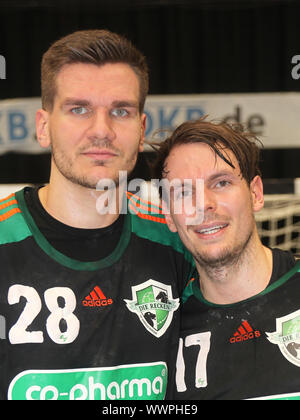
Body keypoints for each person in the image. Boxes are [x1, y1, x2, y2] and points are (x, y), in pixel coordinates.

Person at [0, 29, 195, 400]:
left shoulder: (177, 243)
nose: (101, 131)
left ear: (140, 130)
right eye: (79, 109)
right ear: (44, 127)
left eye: (120, 111)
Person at [152, 117, 300, 400]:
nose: (203, 204)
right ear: (169, 215)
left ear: (255, 193)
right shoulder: (163, 336)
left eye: (221, 182)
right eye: (183, 191)